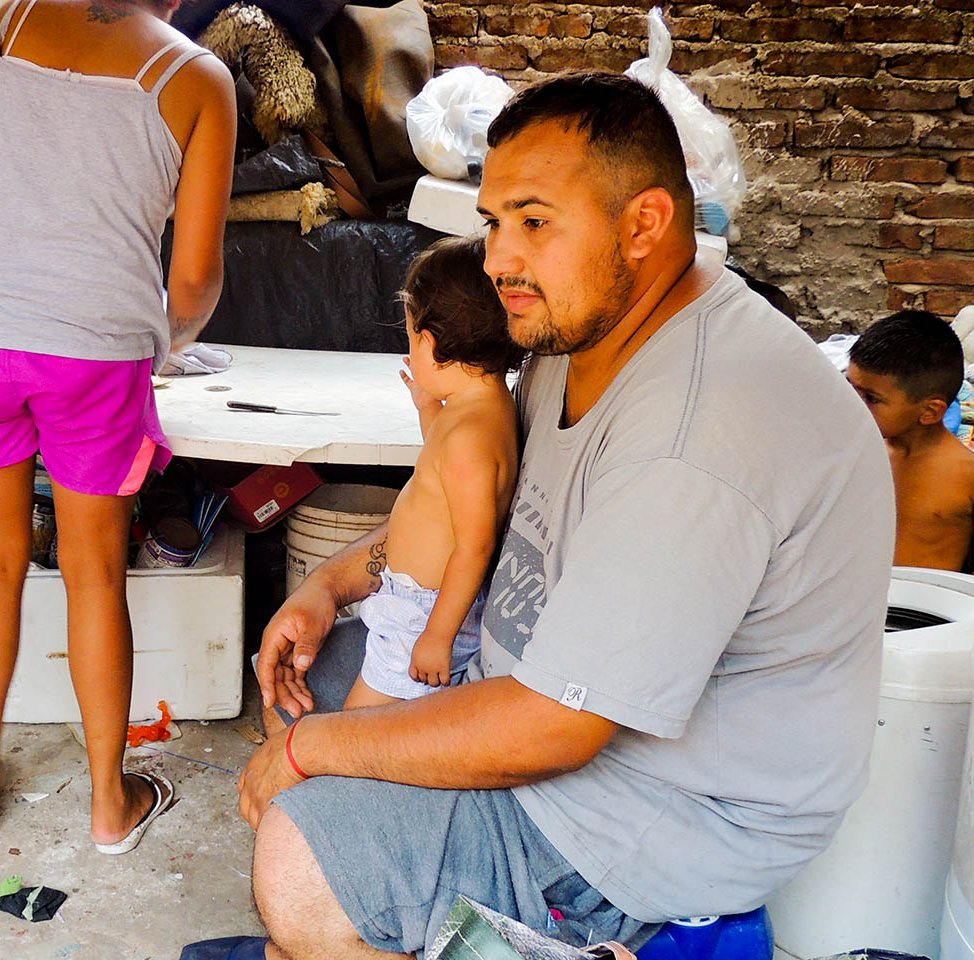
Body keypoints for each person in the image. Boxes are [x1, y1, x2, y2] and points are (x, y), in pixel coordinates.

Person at [182, 73, 894, 960]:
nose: (496, 260)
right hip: (538, 687)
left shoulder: (695, 437)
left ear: (644, 224)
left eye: (535, 220)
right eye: (492, 221)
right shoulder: (580, 331)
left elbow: (558, 728)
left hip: (651, 821)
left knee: (297, 861)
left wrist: (312, 757)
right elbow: (465, 509)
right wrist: (330, 585)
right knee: (310, 681)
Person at [0, 0, 235, 850]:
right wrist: (163, 342)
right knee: (95, 572)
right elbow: (195, 277)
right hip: (96, 349)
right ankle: (108, 804)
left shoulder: (17, 15)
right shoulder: (199, 78)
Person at [343, 235, 523, 709]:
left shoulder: (469, 438)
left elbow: (475, 545)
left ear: (431, 341)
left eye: (409, 336)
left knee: (357, 726)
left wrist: (437, 636)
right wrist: (428, 410)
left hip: (425, 614)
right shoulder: (481, 410)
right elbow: (443, 475)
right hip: (417, 604)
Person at [848, 309, 974, 571]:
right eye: (849, 387)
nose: (853, 405)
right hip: (854, 602)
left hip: (925, 606)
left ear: (929, 412)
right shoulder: (852, 455)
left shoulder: (966, 475)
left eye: (871, 398)